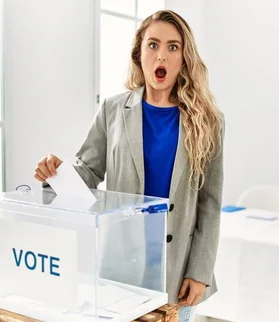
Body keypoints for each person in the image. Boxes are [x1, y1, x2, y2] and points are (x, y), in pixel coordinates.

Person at [34, 10, 224, 322]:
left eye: (173, 47)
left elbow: (210, 203)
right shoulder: (112, 109)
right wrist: (56, 173)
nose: (161, 54)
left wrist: (200, 271)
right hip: (121, 262)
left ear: (184, 57)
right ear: (139, 53)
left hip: (178, 268)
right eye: (153, 45)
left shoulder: (208, 120)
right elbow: (89, 171)